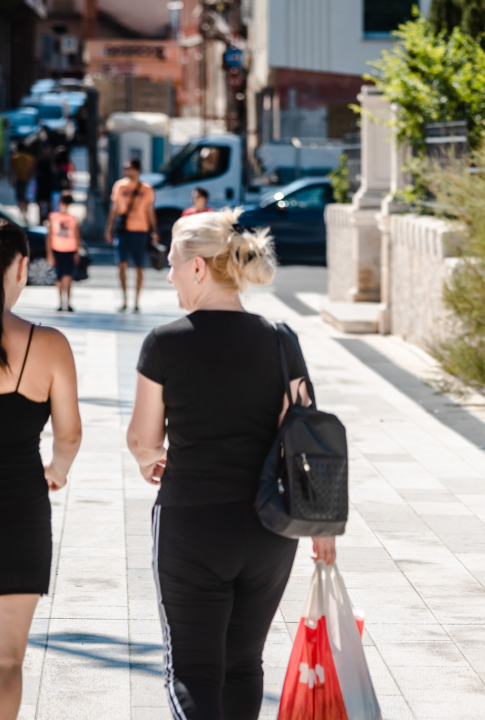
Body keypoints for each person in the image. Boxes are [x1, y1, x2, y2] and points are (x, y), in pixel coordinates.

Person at [127, 208, 334, 720]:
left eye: (173, 263)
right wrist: (322, 526)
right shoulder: (282, 340)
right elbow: (306, 437)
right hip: (269, 529)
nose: (169, 276)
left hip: (192, 523)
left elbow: (142, 439)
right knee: (244, 665)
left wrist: (150, 459)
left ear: (198, 267)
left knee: (192, 672)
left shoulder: (165, 343)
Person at [0, 220, 81, 720]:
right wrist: (57, 470)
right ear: (21, 268)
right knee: (7, 660)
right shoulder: (47, 344)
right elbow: (69, 436)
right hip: (20, 513)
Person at [105, 158, 158, 312]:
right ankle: (124, 300)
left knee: (139, 267)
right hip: (123, 230)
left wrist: (155, 230)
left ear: (137, 170)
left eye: (129, 168)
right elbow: (114, 208)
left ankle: (136, 302)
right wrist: (109, 228)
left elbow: (150, 210)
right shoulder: (119, 185)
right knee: (121, 264)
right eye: (125, 168)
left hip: (141, 230)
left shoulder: (146, 188)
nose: (127, 171)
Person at [46, 193, 81, 312]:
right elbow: (49, 235)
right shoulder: (53, 217)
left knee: (68, 277)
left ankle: (68, 302)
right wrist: (49, 254)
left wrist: (77, 250)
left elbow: (76, 234)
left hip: (70, 249)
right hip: (57, 249)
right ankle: (61, 302)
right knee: (58, 278)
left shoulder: (72, 218)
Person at [8, 144, 34, 223]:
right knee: (25, 198)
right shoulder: (29, 157)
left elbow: (11, 170)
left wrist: (11, 180)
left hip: (18, 179)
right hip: (27, 180)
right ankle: (26, 214)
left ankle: (21, 214)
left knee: (19, 198)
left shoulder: (14, 157)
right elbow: (32, 170)